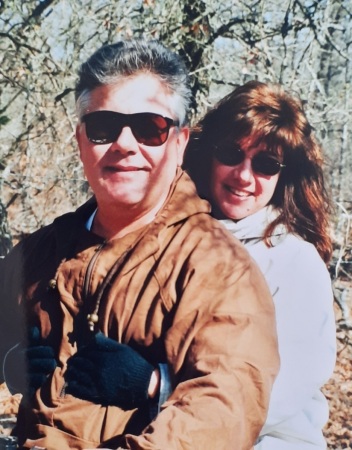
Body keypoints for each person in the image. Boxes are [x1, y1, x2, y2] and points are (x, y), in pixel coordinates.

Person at [0, 41, 279, 450]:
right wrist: (11, 357)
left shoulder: (218, 267)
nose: (125, 144)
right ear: (81, 142)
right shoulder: (45, 249)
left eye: (150, 128)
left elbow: (224, 409)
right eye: (103, 127)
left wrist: (153, 385)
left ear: (180, 143)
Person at [183, 80, 337, 449]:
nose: (243, 176)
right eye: (231, 153)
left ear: (285, 177)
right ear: (208, 154)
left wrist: (154, 387)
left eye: (266, 164)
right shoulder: (177, 236)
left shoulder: (295, 261)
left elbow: (275, 397)